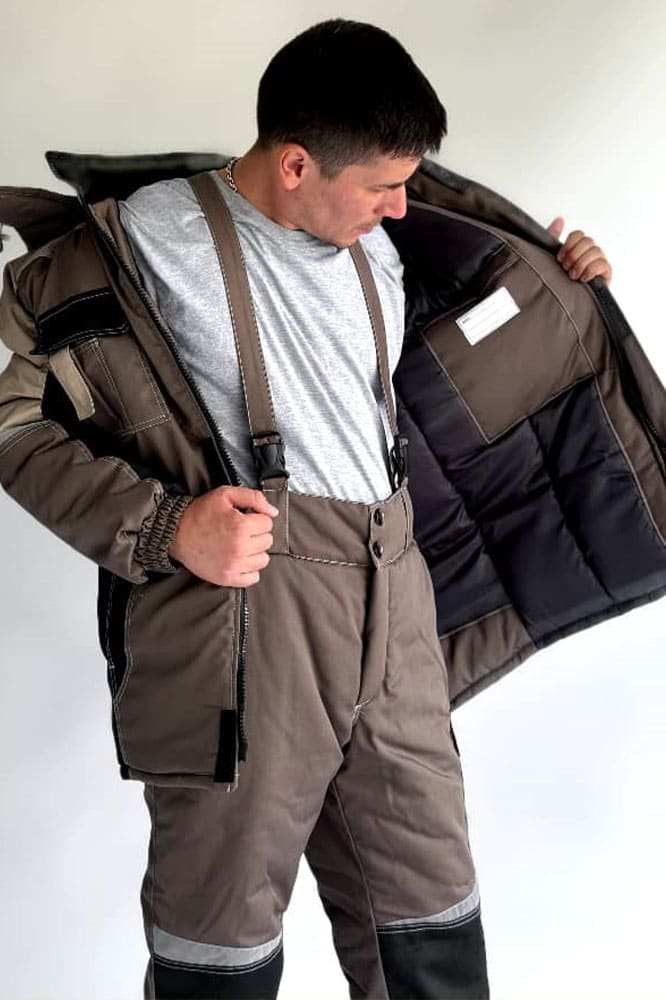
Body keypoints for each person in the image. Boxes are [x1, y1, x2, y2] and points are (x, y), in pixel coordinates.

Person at [0, 18, 614, 1000]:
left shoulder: (379, 241)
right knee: (222, 944)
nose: (401, 204)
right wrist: (164, 528)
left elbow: (464, 341)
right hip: (250, 624)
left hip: (395, 602)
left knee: (432, 922)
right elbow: (14, 423)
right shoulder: (143, 241)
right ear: (295, 164)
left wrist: (559, 279)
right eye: (382, 185)